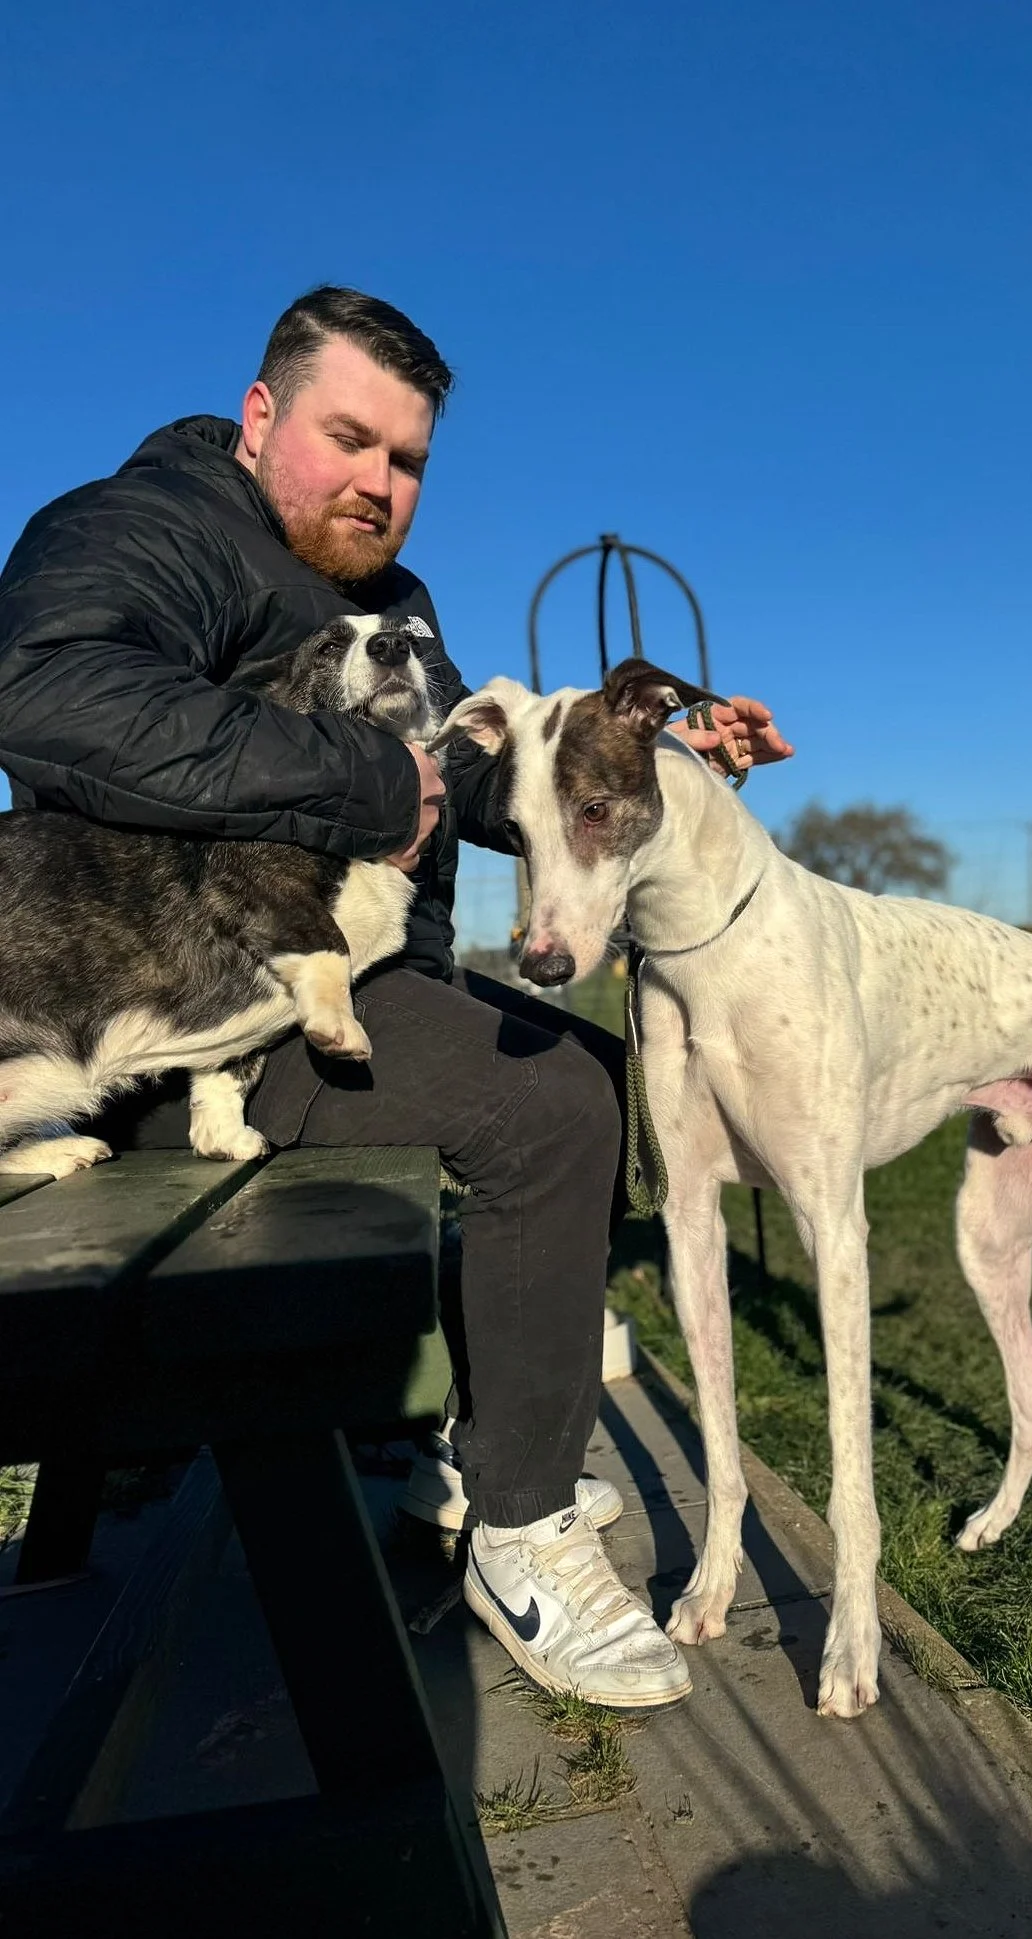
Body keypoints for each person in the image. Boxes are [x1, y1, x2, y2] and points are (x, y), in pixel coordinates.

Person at [0, 286, 792, 1708]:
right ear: (259, 418)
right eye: (348, 439)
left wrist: (662, 766)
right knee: (548, 1107)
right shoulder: (139, 530)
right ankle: (521, 1530)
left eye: (408, 459)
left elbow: (467, 782)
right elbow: (50, 695)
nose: (379, 483)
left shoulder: (388, 601)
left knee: (601, 1075)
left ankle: (482, 1448)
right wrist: (362, 781)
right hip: (190, 1022)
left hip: (353, 977)